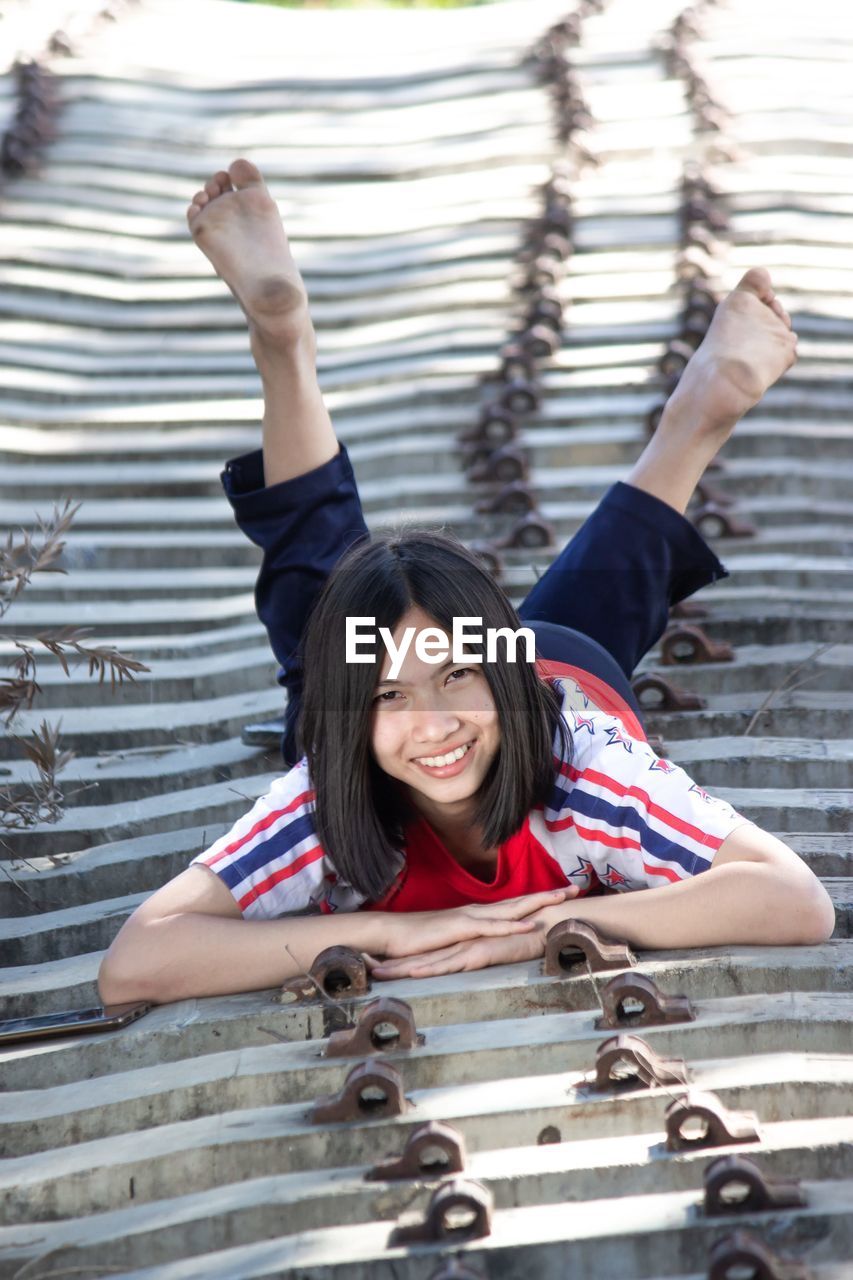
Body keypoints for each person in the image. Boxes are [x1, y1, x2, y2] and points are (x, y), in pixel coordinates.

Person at [98, 160, 833, 1007]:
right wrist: (387, 931)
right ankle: (693, 412)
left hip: (559, 680)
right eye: (388, 697)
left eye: (457, 677)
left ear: (500, 666)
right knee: (338, 621)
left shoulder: (582, 771)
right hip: (552, 660)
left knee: (327, 599)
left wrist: (545, 932)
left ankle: (288, 343)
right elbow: (134, 965)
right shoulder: (329, 800)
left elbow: (795, 901)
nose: (432, 724)